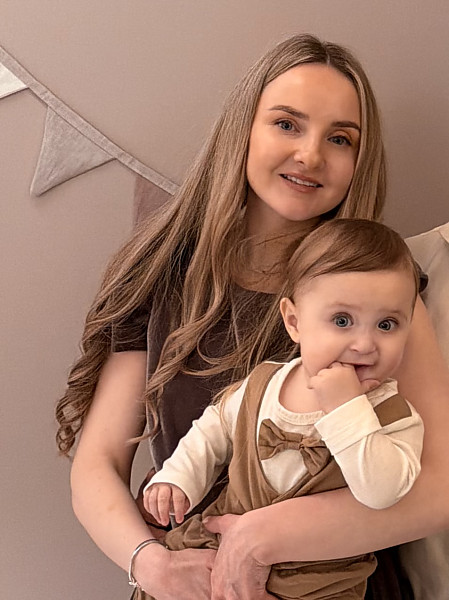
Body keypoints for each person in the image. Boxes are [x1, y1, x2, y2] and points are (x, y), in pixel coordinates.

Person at [55, 33, 449, 600]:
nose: (310, 154)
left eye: (340, 138)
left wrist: (264, 537)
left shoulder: (379, 289)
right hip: (187, 579)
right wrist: (152, 566)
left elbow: (437, 489)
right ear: (244, 129)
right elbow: (97, 464)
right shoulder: (164, 271)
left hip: (334, 584)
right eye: (287, 124)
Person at [143, 219, 425, 600]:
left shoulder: (396, 418)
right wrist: (178, 478)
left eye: (387, 325)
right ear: (294, 322)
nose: (364, 344)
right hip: (221, 553)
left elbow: (382, 493)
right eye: (342, 321)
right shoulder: (265, 383)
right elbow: (213, 431)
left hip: (320, 585)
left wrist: (347, 407)